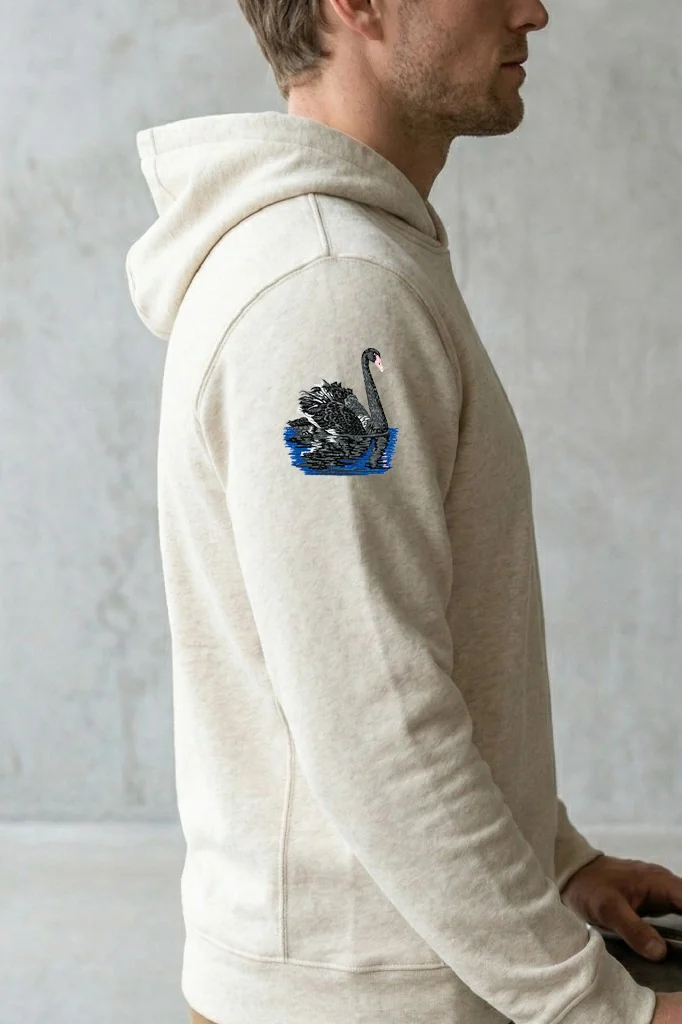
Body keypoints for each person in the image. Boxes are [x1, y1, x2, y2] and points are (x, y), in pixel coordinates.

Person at [125, 1, 682, 1022]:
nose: (533, 10)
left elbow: (397, 656)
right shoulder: (329, 292)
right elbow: (375, 722)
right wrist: (600, 1008)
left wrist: (554, 860)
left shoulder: (355, 258)